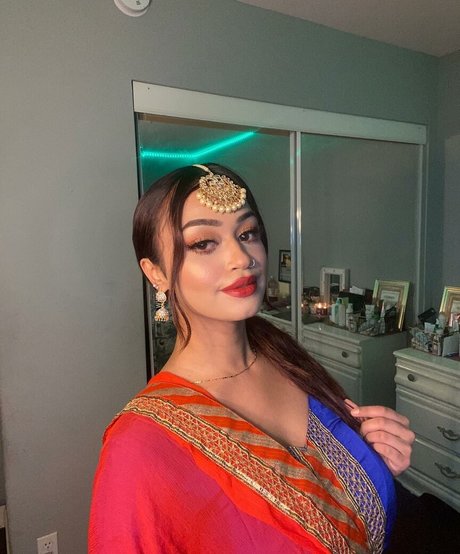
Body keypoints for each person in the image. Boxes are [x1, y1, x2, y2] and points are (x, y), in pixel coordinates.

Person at [89, 163, 415, 553]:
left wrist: (372, 463)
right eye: (204, 243)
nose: (242, 258)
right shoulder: (138, 448)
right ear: (156, 272)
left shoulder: (286, 359)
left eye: (247, 234)